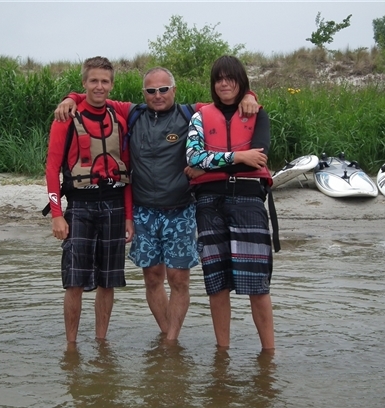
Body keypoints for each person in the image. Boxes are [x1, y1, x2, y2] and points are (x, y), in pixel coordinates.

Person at [55, 67, 259, 341]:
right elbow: (96, 94)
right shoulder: (132, 113)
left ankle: (171, 340)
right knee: (152, 278)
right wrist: (70, 98)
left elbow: (226, 100)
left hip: (180, 209)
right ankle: (168, 339)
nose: (158, 95)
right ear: (144, 93)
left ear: (174, 90)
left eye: (163, 89)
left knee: (178, 279)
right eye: (151, 91)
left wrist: (249, 94)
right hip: (143, 211)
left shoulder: (191, 113)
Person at [185, 55, 276, 350]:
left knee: (257, 284)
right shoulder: (199, 117)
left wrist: (209, 168)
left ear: (241, 82)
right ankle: (222, 353)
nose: (224, 84)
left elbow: (258, 158)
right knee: (217, 283)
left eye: (230, 78)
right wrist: (238, 157)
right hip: (209, 203)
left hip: (248, 200)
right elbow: (193, 157)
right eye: (219, 79)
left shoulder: (258, 114)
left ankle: (269, 354)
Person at [45, 56, 134, 343]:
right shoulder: (66, 118)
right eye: (93, 80)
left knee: (108, 281)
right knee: (74, 281)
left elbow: (127, 173)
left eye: (105, 81)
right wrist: (57, 215)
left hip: (114, 205)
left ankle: (101, 342)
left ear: (111, 85)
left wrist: (129, 217)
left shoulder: (119, 119)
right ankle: (71, 346)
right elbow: (51, 169)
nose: (99, 86)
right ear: (84, 83)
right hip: (80, 207)